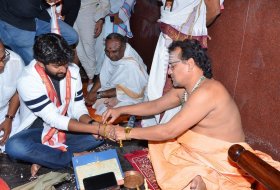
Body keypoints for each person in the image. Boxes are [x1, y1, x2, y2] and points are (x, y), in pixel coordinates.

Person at [102, 40, 280, 190]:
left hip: (223, 161)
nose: (169, 72)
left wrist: (125, 132)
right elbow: (156, 105)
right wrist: (121, 109)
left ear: (189, 64)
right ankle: (198, 177)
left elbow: (168, 130)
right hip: (197, 153)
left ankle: (206, 180)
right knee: (159, 144)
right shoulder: (186, 89)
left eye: (172, 66)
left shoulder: (209, 91)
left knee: (162, 138)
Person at [5, 33, 110, 177]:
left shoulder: (73, 71)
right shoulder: (27, 80)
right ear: (41, 63)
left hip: (65, 130)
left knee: (100, 136)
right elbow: (54, 119)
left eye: (65, 63)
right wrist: (96, 128)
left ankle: (46, 156)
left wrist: (93, 125)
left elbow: (78, 108)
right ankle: (72, 157)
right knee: (14, 147)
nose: (63, 69)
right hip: (38, 131)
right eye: (57, 66)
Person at [143, 0, 224, 128]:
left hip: (183, 41)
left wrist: (193, 30)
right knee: (157, 91)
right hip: (168, 36)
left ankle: (165, 135)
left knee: (170, 97)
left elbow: (213, 10)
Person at [85, 33, 148, 116]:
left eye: (114, 51)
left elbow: (132, 91)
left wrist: (98, 95)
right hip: (114, 87)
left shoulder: (131, 64)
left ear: (123, 47)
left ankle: (115, 101)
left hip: (133, 95)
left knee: (105, 111)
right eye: (107, 51)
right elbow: (104, 75)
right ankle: (112, 99)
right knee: (90, 89)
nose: (110, 55)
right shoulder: (111, 52)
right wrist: (92, 93)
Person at [0, 0, 78, 65]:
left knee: (71, 36)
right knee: (35, 65)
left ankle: (44, 56)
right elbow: (26, 9)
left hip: (37, 15)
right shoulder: (26, 6)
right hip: (15, 24)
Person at [74, 0, 110, 89]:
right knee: (76, 46)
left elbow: (106, 3)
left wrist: (100, 19)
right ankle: (73, 77)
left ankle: (91, 79)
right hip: (71, 13)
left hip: (88, 15)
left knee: (88, 47)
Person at [0, 40, 24, 153]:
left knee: (14, 148)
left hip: (6, 113)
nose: (2, 64)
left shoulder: (15, 61)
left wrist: (9, 119)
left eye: (3, 57)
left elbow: (17, 92)